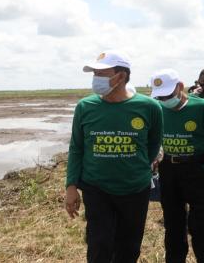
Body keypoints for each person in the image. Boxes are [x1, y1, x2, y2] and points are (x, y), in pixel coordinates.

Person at [65, 50, 163, 263]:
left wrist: (135, 167)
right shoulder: (85, 107)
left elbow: (154, 143)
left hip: (135, 188)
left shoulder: (149, 107)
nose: (95, 79)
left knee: (129, 246)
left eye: (101, 73)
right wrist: (71, 186)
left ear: (121, 76)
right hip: (96, 188)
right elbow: (76, 148)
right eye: (94, 74)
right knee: (99, 244)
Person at [150, 69, 204, 263]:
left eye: (168, 95)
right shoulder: (158, 109)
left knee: (202, 225)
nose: (164, 99)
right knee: (173, 223)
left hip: (197, 169)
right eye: (160, 96)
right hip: (168, 169)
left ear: (180, 86)